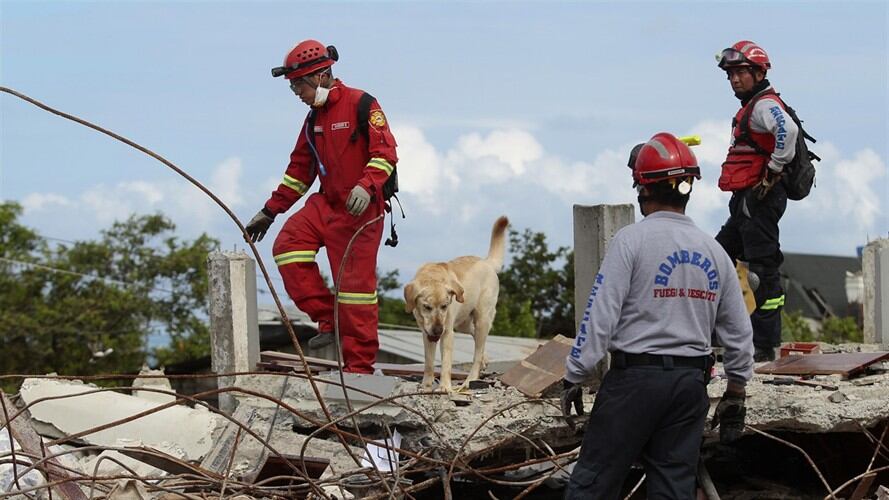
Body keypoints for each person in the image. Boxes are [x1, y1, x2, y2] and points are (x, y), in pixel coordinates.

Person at [561, 133, 754, 499]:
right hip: (689, 386)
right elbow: (739, 333)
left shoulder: (631, 241)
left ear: (642, 188)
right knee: (672, 487)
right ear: (688, 188)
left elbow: (599, 318)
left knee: (592, 484)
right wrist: (736, 391)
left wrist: (574, 374)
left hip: (635, 382)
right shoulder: (714, 251)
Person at [245, 40, 398, 374]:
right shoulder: (313, 119)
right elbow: (299, 172)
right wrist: (270, 211)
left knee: (355, 292)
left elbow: (385, 154)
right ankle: (329, 319)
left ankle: (360, 369)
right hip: (325, 203)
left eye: (299, 85)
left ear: (321, 75)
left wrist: (366, 185)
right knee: (288, 247)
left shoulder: (362, 104)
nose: (296, 92)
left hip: (360, 212)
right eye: (293, 87)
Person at [714, 40, 798, 362]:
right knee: (718, 259)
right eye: (731, 74)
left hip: (761, 198)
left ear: (759, 72)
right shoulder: (753, 105)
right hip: (747, 200)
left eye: (741, 73)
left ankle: (763, 345)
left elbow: (786, 133)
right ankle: (720, 333)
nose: (735, 80)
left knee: (762, 271)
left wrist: (773, 170)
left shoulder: (764, 105)